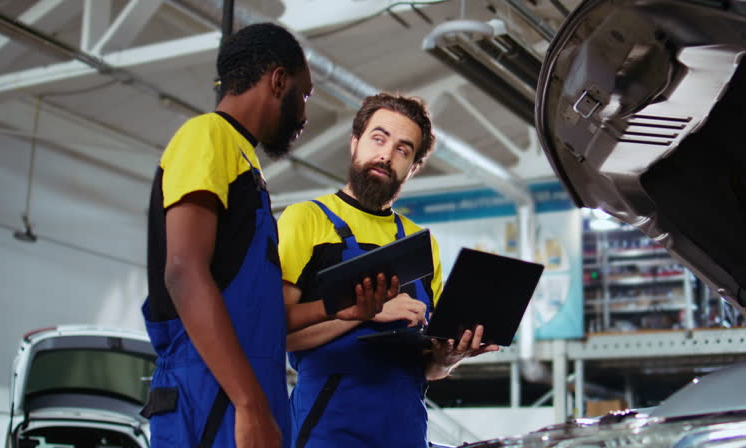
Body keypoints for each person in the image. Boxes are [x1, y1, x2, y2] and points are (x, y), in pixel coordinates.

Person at [142, 23, 396, 448]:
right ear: (279, 81)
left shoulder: (247, 168)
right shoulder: (207, 135)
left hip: (247, 389)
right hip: (211, 394)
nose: (305, 113)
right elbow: (183, 272)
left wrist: (340, 310)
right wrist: (249, 404)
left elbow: (255, 314)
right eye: (305, 93)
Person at [278, 93, 499, 448]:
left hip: (407, 432)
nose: (385, 154)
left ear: (412, 167)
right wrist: (366, 314)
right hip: (328, 430)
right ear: (355, 143)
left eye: (403, 149)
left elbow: (429, 368)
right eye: (378, 139)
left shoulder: (421, 243)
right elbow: (276, 333)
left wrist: (449, 358)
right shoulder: (307, 219)